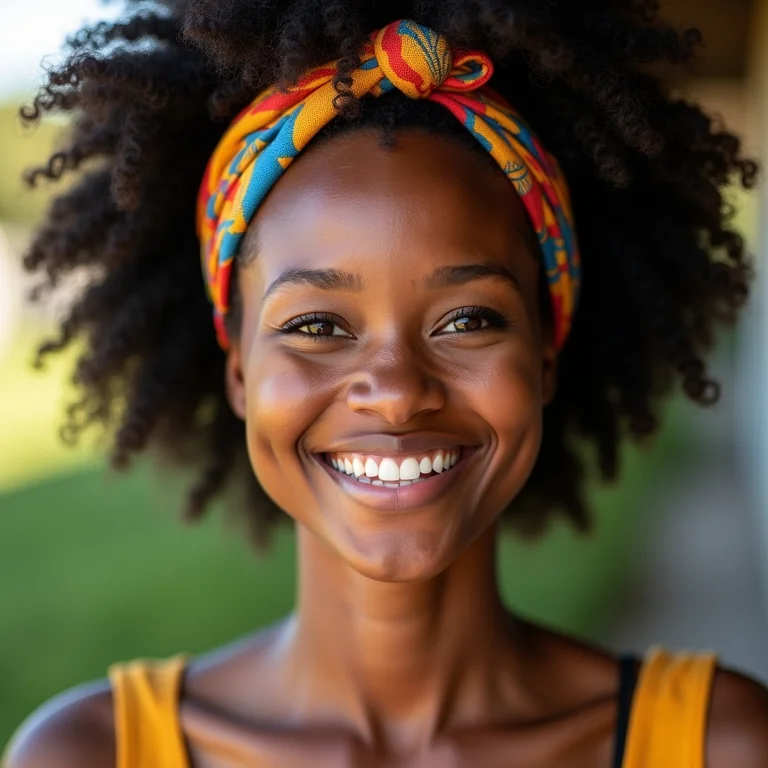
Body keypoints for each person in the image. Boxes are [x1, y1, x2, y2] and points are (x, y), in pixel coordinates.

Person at [4, 2, 768, 766]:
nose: (397, 391)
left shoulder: (716, 744)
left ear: (544, 357)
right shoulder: (88, 754)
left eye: (467, 318)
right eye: (316, 326)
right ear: (239, 369)